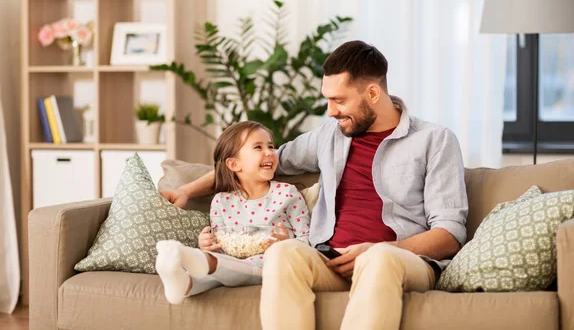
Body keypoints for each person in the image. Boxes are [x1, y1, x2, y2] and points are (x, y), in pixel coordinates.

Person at [161, 40, 468, 330]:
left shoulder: (434, 140)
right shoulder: (329, 135)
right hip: (329, 259)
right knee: (284, 253)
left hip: (400, 260)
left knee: (378, 258)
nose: (331, 111)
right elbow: (262, 163)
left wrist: (383, 247)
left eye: (339, 100)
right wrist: (188, 190)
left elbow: (450, 233)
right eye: (327, 99)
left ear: (373, 93)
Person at [155, 121, 310, 305]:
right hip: (231, 264)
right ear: (234, 164)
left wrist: (287, 244)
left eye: (270, 146)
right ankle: (184, 282)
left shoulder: (287, 193)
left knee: (242, 267)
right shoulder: (221, 201)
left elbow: (307, 240)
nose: (269, 152)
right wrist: (208, 245)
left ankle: (197, 260)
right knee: (218, 271)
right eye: (258, 147)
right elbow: (223, 247)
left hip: (273, 264)